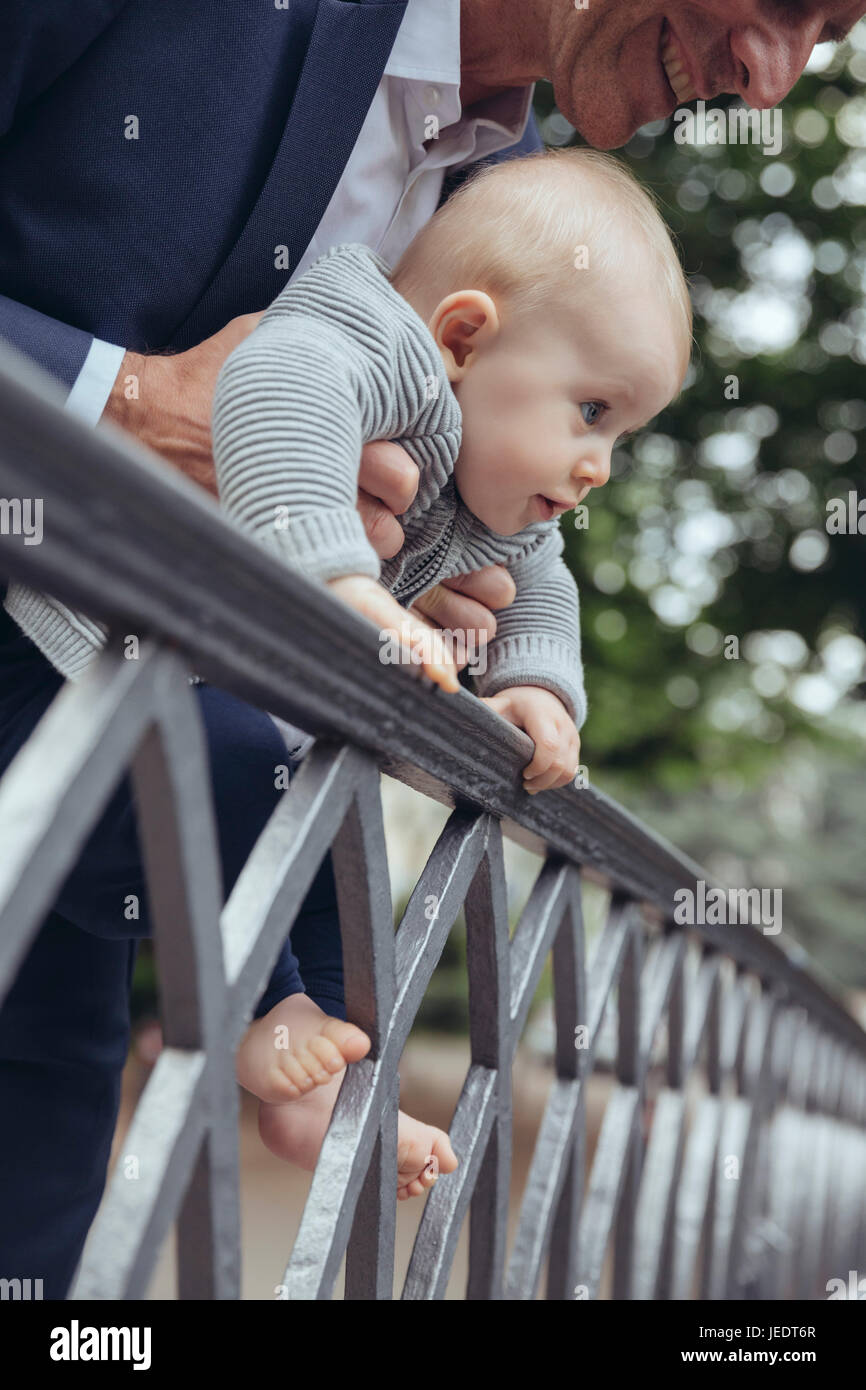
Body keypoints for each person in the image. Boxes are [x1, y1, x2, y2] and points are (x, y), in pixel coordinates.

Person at [0, 0, 860, 1298]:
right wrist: (125, 404)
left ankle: (320, 1053)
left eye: (831, 40)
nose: (774, 78)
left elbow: (535, 581)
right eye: (790, 2)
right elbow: (272, 398)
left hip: (77, 887)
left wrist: (525, 680)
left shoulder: (532, 213)